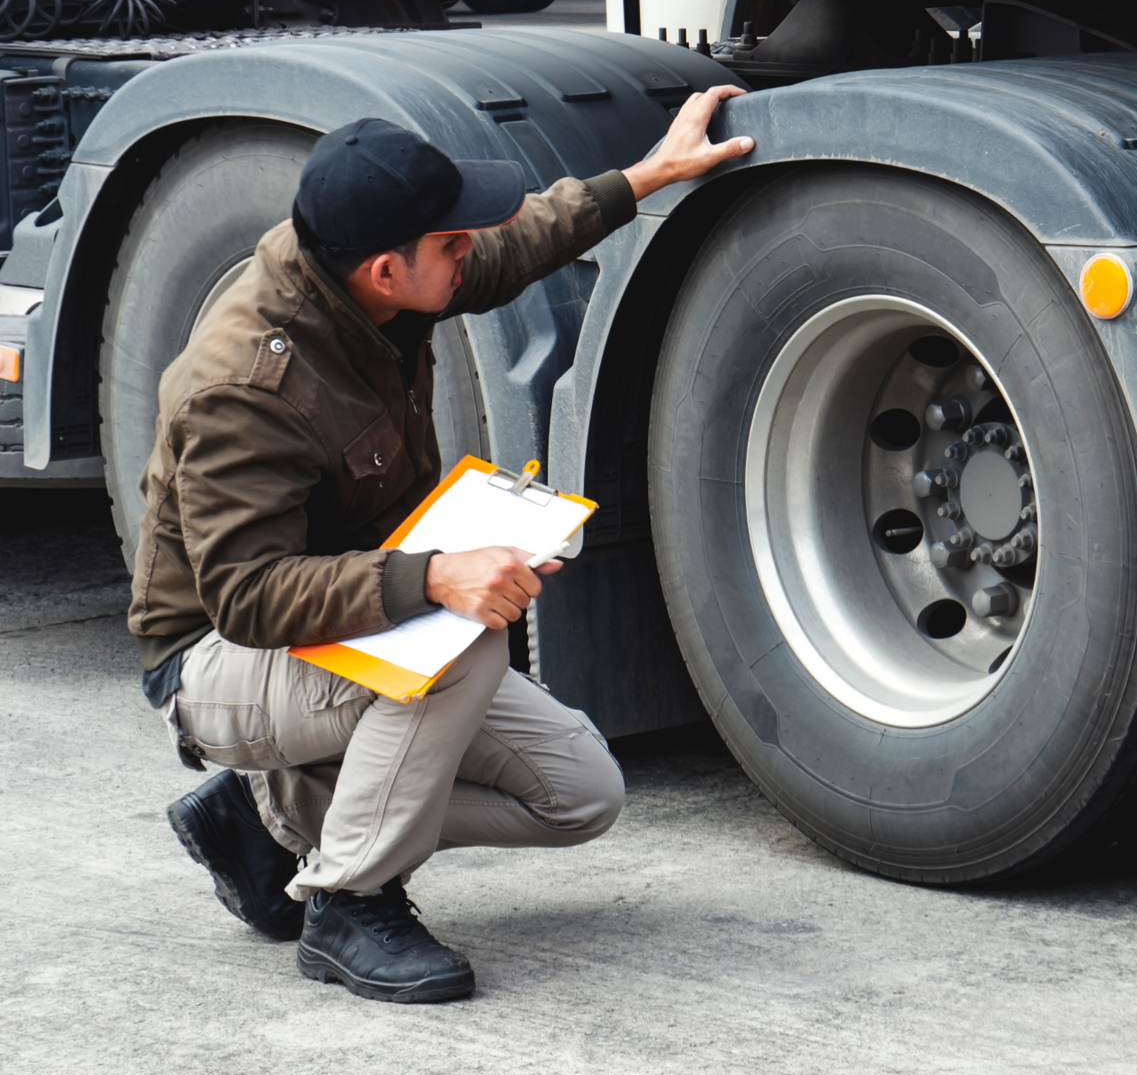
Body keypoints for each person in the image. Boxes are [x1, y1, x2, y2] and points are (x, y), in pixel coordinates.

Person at [129, 88, 753, 1003]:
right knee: (464, 647)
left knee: (579, 794)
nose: (469, 256)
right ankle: (348, 904)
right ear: (387, 270)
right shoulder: (247, 389)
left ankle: (277, 819)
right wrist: (436, 577)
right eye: (450, 246)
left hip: (339, 620)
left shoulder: (369, 281)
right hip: (216, 659)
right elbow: (248, 596)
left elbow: (509, 245)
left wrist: (645, 176)